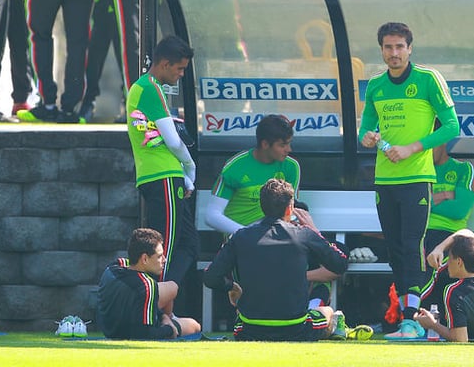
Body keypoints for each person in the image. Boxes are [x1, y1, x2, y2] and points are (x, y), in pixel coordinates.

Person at [358, 21, 460, 339]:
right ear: (381, 50)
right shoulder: (375, 85)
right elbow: (364, 130)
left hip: (417, 176)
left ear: (410, 48)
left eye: (399, 46)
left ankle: (414, 318)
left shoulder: (428, 79)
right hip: (385, 180)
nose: (394, 53)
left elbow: (452, 126)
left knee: (412, 244)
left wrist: (413, 147)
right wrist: (369, 138)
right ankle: (407, 317)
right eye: (388, 47)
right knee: (394, 248)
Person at [206, 113, 337, 305]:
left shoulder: (291, 166)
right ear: (265, 144)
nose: (288, 150)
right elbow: (211, 215)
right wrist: (247, 233)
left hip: (280, 236)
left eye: (289, 143)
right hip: (245, 241)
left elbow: (290, 210)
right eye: (283, 145)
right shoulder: (236, 166)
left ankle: (312, 307)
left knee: (336, 257)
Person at [202, 178, 355, 341]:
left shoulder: (239, 236)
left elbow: (210, 277)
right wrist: (315, 230)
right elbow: (339, 263)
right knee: (328, 312)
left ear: (262, 207)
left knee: (241, 319)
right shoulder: (304, 234)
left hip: (249, 330)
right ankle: (336, 322)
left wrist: (231, 286)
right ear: (290, 208)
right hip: (296, 329)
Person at [127, 34, 198, 287]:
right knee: (163, 250)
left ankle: (164, 305)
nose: (181, 74)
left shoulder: (145, 87)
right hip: (163, 176)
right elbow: (173, 139)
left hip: (162, 176)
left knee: (189, 244)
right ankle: (156, 310)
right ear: (165, 64)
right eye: (179, 68)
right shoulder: (150, 87)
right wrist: (190, 167)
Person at [97, 227, 201, 339]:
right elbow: (145, 335)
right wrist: (169, 328)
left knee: (170, 289)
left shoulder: (112, 268)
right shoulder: (146, 286)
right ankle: (171, 319)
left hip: (110, 330)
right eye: (159, 256)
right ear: (145, 259)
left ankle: (168, 316)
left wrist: (163, 316)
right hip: (129, 332)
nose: (164, 260)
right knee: (194, 326)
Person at [425, 136, 474, 255]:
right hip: (418, 233)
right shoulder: (419, 172)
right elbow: (410, 207)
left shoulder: (464, 169)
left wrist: (428, 202)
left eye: (430, 145)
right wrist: (444, 195)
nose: (426, 151)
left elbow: (459, 210)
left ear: (443, 141)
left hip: (449, 235)